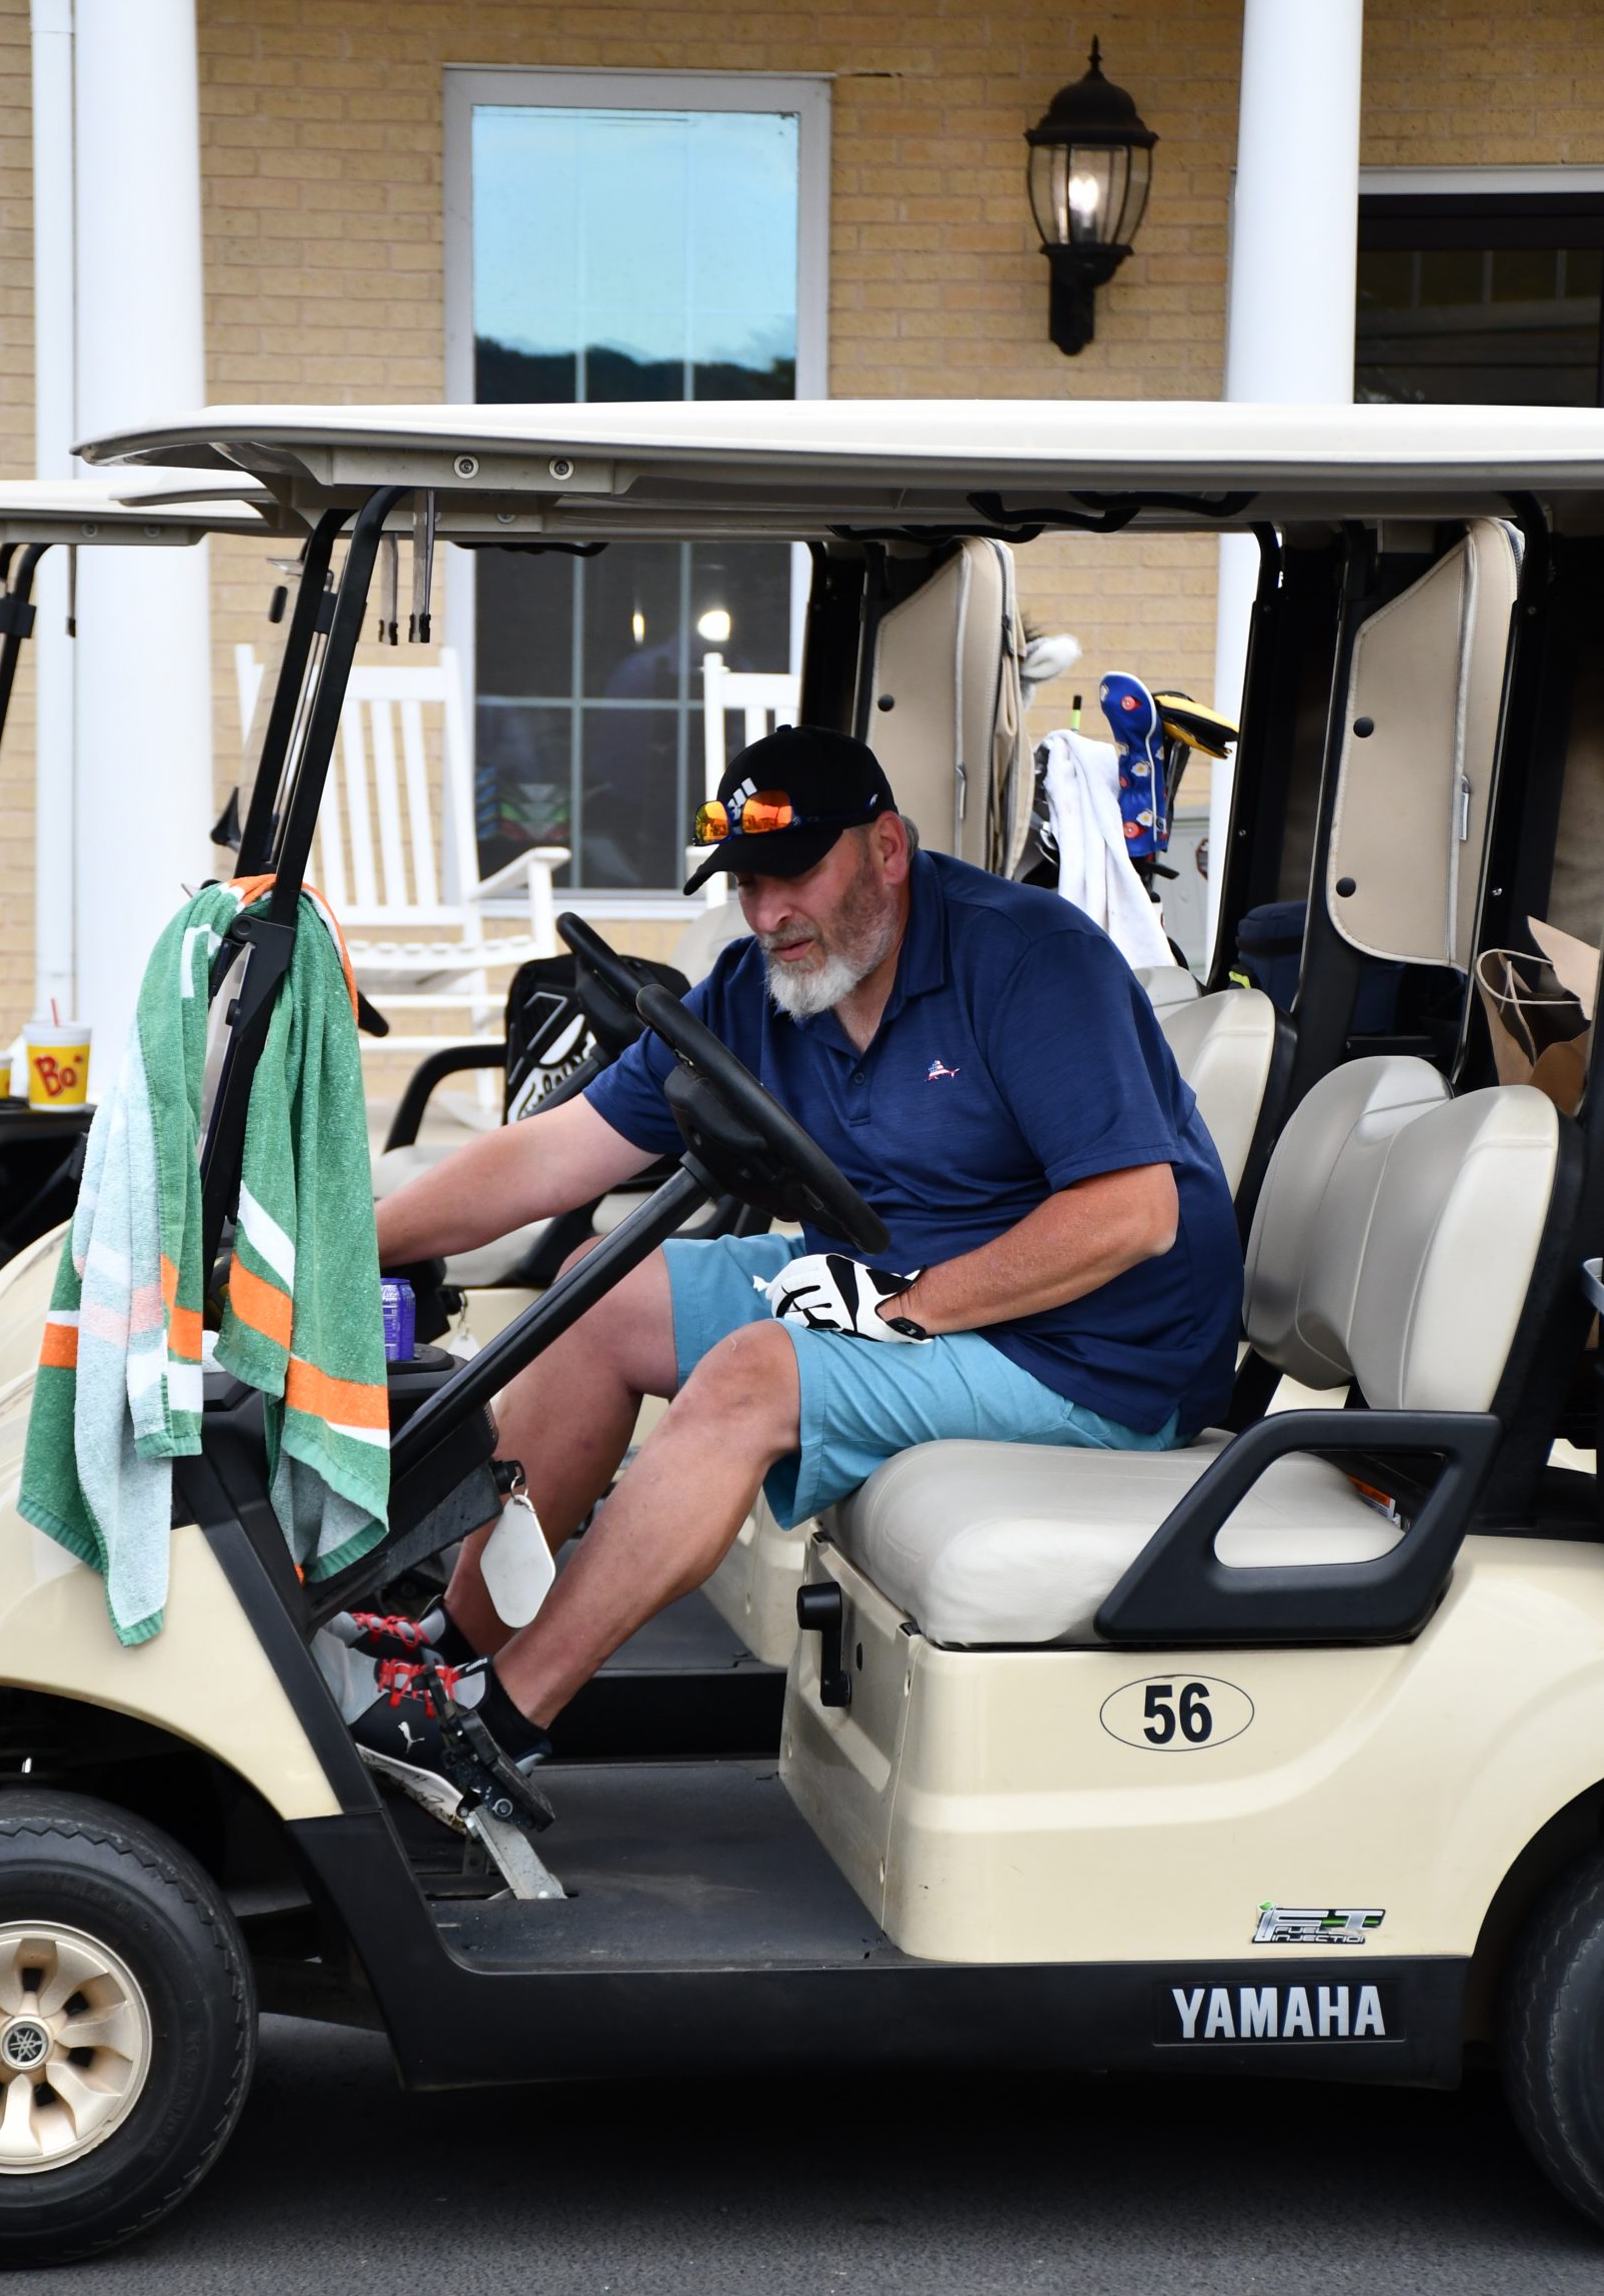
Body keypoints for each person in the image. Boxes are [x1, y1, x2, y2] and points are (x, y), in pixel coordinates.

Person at [357, 725, 1243, 1822]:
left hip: (1091, 1356)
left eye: (795, 873)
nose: (769, 910)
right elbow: (557, 1153)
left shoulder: (1027, 960)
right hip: (902, 1287)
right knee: (600, 1291)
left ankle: (491, 1732)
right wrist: (352, 1247)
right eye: (747, 883)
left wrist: (906, 1307)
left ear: (887, 849)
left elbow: (1132, 1215)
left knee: (752, 1373)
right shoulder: (766, 986)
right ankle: (451, 1646)